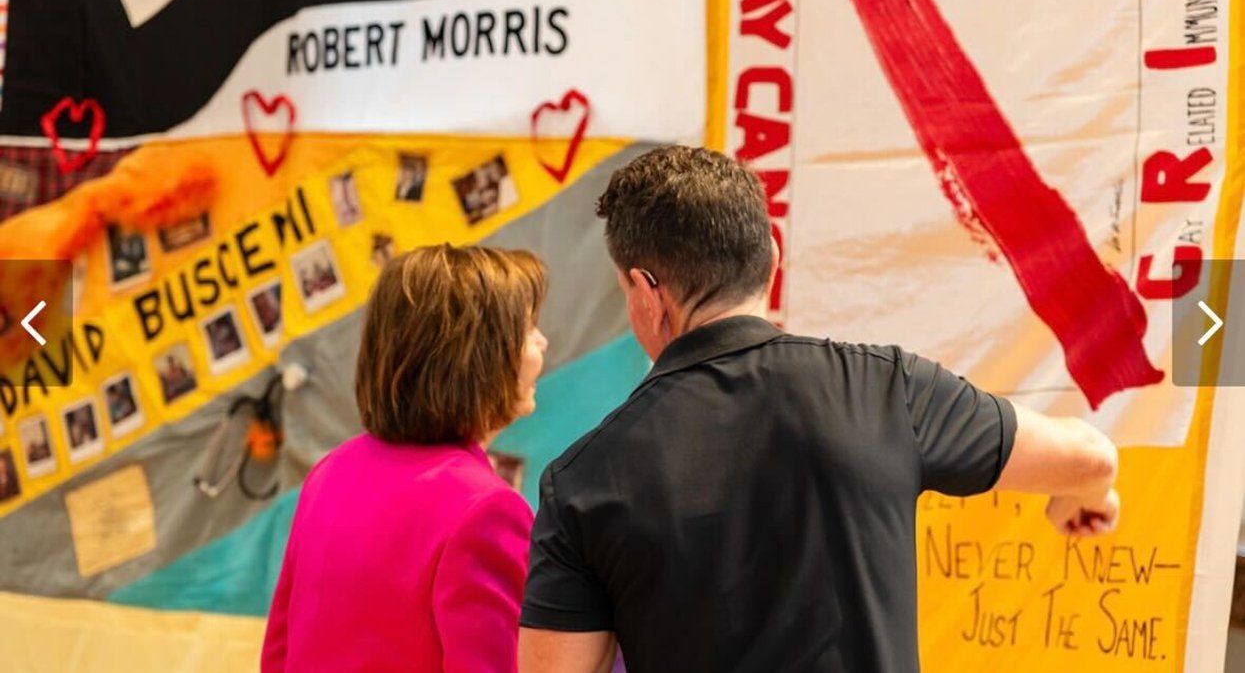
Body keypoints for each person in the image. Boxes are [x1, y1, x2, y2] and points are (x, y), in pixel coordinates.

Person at [518, 147, 1120, 673]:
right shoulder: (884, 389)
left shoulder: (582, 483)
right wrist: (1084, 497)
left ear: (649, 293)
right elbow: (1092, 457)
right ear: (771, 258)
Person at [262, 244, 550, 672]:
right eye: (528, 329)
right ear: (481, 356)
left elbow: (279, 653)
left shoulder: (333, 469)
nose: (542, 341)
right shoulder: (487, 508)